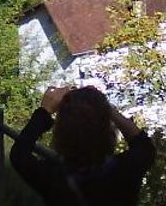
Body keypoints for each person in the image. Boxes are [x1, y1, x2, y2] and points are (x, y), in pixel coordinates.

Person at [10, 85, 155, 206]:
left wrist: (45, 111)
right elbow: (143, 144)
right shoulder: (125, 169)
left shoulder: (53, 177)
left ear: (61, 131)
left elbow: (19, 154)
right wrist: (104, 107)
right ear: (106, 129)